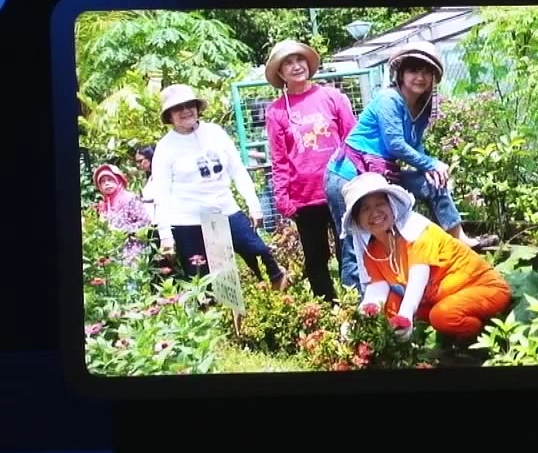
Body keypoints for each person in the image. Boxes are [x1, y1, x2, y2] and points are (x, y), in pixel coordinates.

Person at [326, 41, 497, 291]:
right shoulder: (389, 99)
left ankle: (459, 240)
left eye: (426, 71)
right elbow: (395, 144)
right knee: (357, 239)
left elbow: (414, 145)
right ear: (401, 74)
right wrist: (431, 163)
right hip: (349, 173)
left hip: (380, 173)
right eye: (414, 70)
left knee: (432, 182)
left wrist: (432, 168)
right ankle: (357, 301)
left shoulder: (422, 106)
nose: (420, 77)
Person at [339, 174, 512, 363]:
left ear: (391, 205)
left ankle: (478, 337)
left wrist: (405, 317)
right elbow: (376, 294)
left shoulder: (417, 232)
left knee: (442, 316)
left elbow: (417, 280)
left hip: (483, 289)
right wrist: (359, 322)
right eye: (365, 209)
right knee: (389, 307)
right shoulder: (372, 251)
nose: (375, 213)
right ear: (357, 219)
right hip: (439, 298)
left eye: (380, 204)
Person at [150, 83, 289, 289]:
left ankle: (278, 298)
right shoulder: (165, 147)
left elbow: (237, 170)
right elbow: (161, 193)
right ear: (169, 116)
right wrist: (165, 235)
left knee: (261, 253)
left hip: (225, 210)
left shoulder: (215, 132)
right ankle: (218, 317)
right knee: (205, 282)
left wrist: (254, 204)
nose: (186, 111)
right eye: (178, 108)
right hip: (188, 222)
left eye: (189, 105)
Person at [263, 39, 353, 303]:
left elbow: (352, 139)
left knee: (348, 249)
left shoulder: (332, 97)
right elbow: (279, 159)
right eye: (287, 63)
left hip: (339, 188)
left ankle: (358, 304)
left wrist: (360, 176)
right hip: (304, 197)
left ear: (308, 64)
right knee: (316, 257)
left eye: (299, 60)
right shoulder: (276, 112)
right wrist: (282, 197)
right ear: (280, 73)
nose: (295, 66)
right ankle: (328, 307)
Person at [91, 164, 152, 263]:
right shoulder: (104, 205)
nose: (107, 183)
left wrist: (124, 231)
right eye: (103, 181)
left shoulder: (129, 199)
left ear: (118, 180)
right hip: (113, 252)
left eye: (110, 179)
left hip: (131, 251)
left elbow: (145, 221)